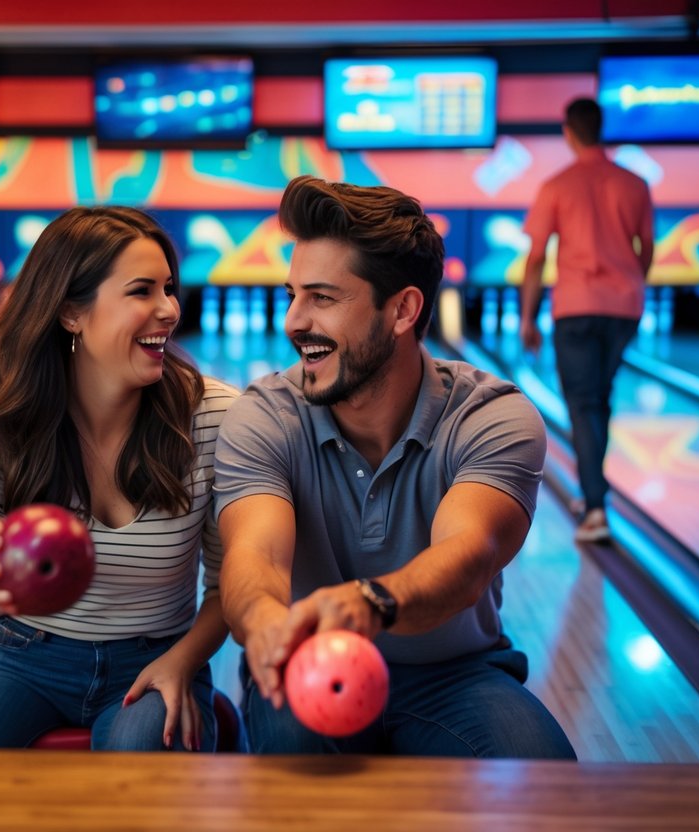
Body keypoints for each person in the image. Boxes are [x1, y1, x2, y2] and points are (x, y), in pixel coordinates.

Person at [215, 175, 576, 760]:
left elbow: (468, 557)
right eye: (291, 296)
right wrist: (261, 619)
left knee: (543, 774)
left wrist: (371, 603)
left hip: (453, 675)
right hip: (308, 661)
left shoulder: (491, 416)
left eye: (323, 298)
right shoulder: (264, 417)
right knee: (296, 764)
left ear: (404, 309)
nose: (293, 321)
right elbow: (256, 556)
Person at [0, 206, 237, 751]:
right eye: (141, 291)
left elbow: (231, 582)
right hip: (21, 655)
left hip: (156, 657)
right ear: (71, 312)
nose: (168, 309)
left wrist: (183, 661)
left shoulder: (210, 415)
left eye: (169, 288)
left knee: (135, 788)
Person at [520, 97, 654, 543]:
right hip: (623, 306)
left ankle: (595, 506)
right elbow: (646, 249)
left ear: (568, 131)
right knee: (599, 398)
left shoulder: (557, 185)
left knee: (583, 403)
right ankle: (592, 490)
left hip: (575, 306)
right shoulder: (635, 183)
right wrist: (632, 285)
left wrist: (526, 318)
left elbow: (537, 258)